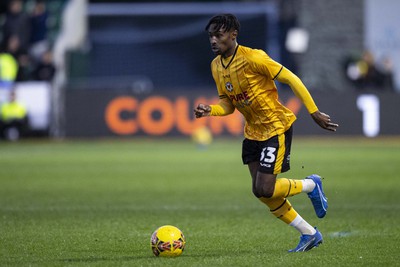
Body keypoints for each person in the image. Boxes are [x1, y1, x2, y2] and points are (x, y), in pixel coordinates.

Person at [194, 14, 339, 252]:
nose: (213, 40)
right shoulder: (216, 66)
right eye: (210, 36)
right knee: (259, 192)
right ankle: (309, 233)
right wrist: (209, 110)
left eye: (218, 35)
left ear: (233, 35)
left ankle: (311, 185)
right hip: (252, 132)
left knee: (266, 188)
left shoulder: (253, 57)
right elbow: (228, 105)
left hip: (275, 126)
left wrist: (313, 112)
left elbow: (291, 78)